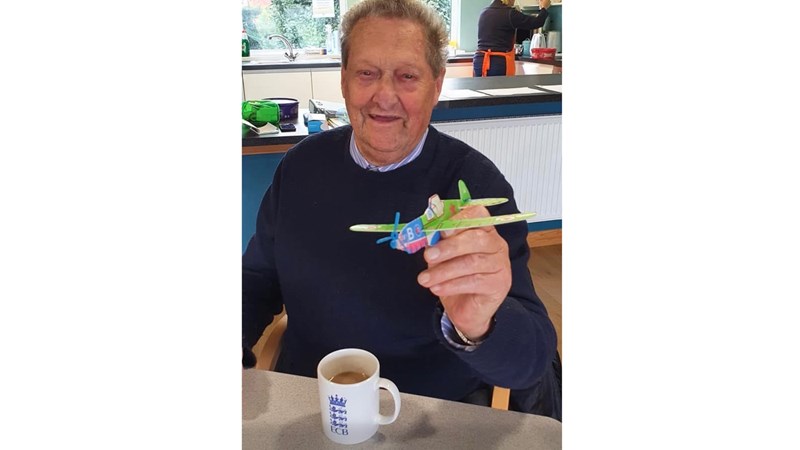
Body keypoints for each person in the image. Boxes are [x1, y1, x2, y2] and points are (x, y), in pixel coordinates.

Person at [242, 0, 561, 420]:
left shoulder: (477, 188)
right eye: (366, 73)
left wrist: (481, 325)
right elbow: (256, 280)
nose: (384, 96)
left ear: (436, 84)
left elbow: (529, 363)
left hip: (430, 415)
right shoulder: (300, 166)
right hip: (313, 403)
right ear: (344, 80)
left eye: (407, 76)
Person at [473, 0, 551, 77]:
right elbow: (537, 22)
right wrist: (544, 8)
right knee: (503, 85)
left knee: (482, 85)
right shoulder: (510, 13)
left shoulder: (484, 13)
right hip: (498, 62)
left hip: (479, 61)